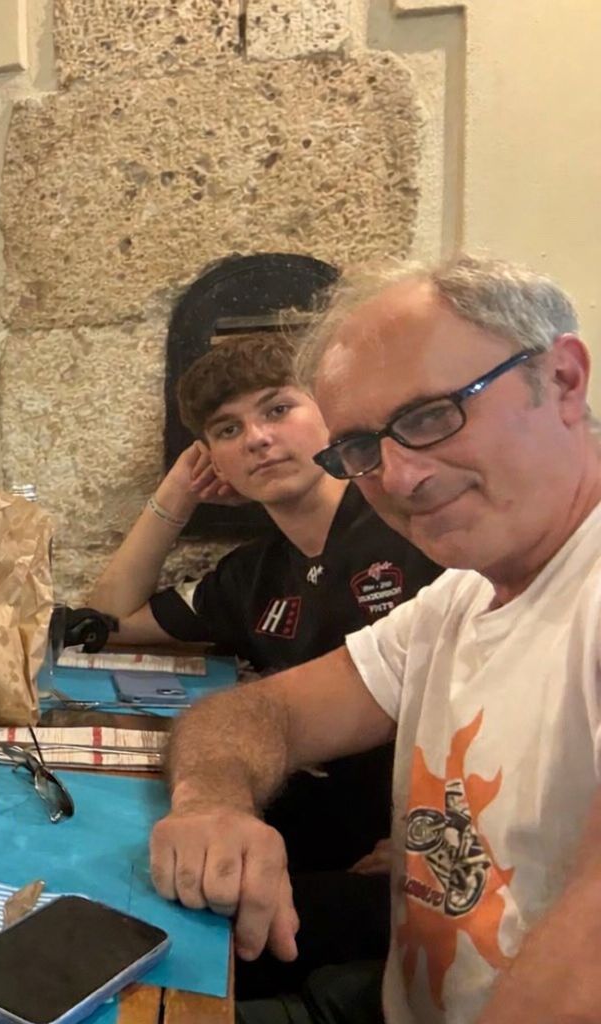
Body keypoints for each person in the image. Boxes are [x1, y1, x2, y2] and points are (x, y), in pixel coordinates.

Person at [148, 255, 601, 1024]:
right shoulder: (460, 596)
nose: (398, 477)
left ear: (561, 379)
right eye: (360, 447)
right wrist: (212, 802)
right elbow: (261, 713)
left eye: (429, 417)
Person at [88, 334, 442, 996]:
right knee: (117, 881)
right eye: (227, 430)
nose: (257, 438)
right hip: (304, 827)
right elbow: (103, 620)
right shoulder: (252, 574)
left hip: (404, 862)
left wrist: (441, 835)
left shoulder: (415, 528)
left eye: (278, 410)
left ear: (329, 417)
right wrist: (178, 494)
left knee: (166, 947)